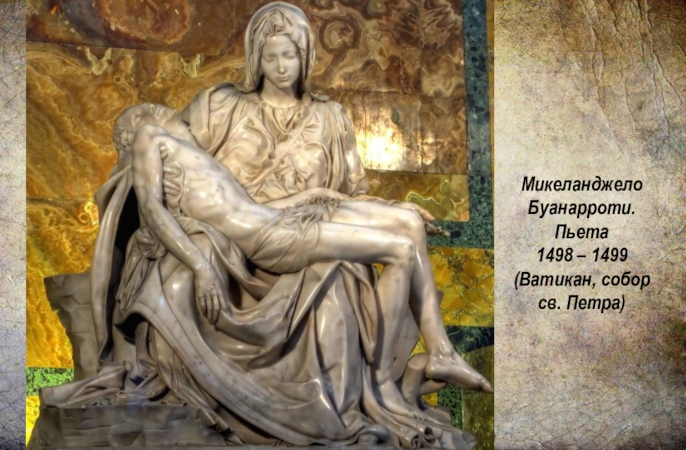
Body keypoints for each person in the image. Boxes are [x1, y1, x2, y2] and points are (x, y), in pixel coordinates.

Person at [67, 2, 487, 448]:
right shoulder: (217, 107)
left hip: (298, 215)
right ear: (256, 58)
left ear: (306, 56)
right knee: (362, 262)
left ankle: (425, 362)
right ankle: (387, 384)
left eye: (291, 55)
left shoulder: (331, 117)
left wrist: (376, 203)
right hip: (244, 242)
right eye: (271, 56)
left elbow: (351, 191)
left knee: (404, 224)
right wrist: (173, 222)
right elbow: (147, 170)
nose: (282, 66)